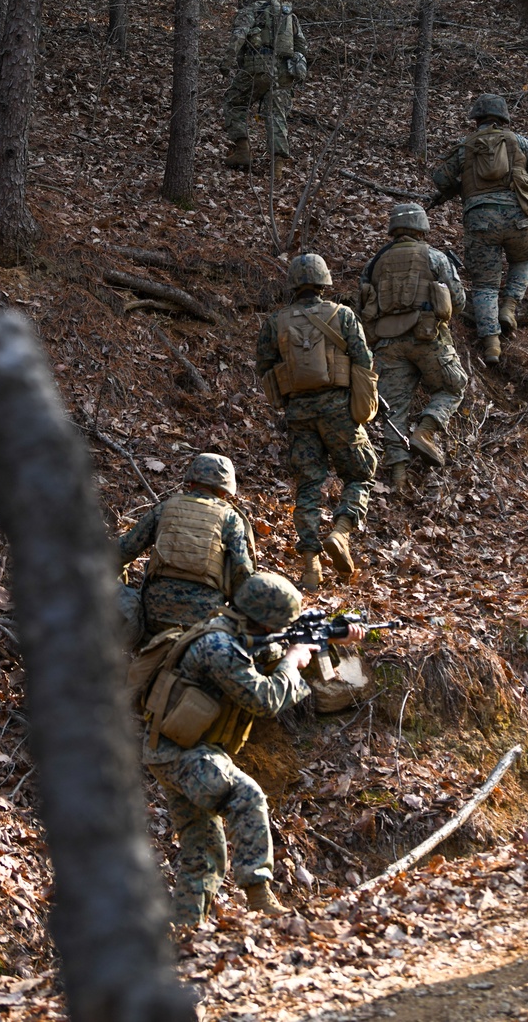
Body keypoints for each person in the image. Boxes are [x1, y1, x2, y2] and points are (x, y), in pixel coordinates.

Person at [136, 571, 364, 926]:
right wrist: (293, 660)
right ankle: (260, 897)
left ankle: (187, 932)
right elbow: (265, 699)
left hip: (174, 750)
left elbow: (270, 649)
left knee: (203, 854)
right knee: (247, 796)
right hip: (182, 753)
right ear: (262, 619)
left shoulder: (236, 632)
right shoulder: (219, 647)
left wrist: (328, 639)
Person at [256, 253, 378, 591]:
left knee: (309, 485)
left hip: (299, 413)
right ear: (324, 282)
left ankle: (311, 565)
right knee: (360, 473)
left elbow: (264, 365)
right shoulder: (343, 316)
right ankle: (340, 532)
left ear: (294, 283)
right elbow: (364, 360)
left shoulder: (276, 322)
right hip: (339, 409)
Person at [430, 93, 528, 364]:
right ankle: (509, 306)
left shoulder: (466, 146)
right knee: (526, 256)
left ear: (476, 119)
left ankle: (491, 345)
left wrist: (463, 180)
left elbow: (440, 179)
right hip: (518, 218)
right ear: (503, 118)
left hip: (480, 222)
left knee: (485, 285)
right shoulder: (519, 142)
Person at [360, 203, 468, 490]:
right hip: (427, 338)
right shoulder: (435, 257)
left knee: (393, 409)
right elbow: (458, 302)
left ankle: (398, 477)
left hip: (387, 343)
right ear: (422, 227)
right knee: (452, 386)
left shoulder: (375, 263)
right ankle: (426, 432)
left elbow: (364, 303)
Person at [118, 452, 257, 639]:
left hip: (154, 615)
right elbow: (242, 568)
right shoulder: (230, 518)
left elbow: (124, 550)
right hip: (203, 622)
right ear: (225, 491)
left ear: (191, 482)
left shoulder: (166, 508)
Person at [222, 0, 308, 180]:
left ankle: (243, 151)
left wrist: (226, 61)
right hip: (284, 73)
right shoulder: (289, 15)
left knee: (234, 102)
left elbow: (239, 36)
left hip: (257, 68)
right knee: (276, 116)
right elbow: (301, 45)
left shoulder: (251, 10)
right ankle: (276, 168)